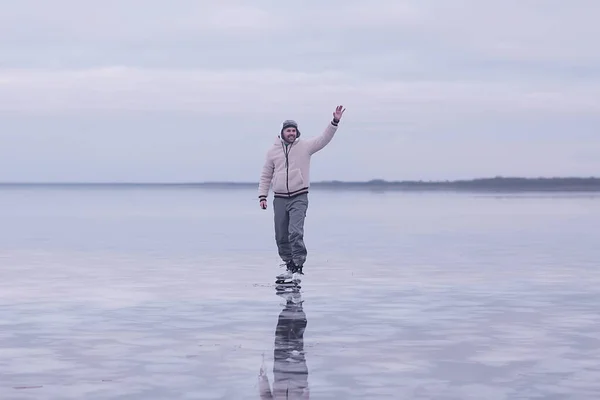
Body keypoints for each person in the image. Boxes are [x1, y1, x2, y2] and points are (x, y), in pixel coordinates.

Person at [258, 105, 345, 282]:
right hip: (280, 198)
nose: (291, 133)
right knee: (281, 235)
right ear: (282, 133)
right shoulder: (272, 151)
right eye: (288, 130)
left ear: (297, 133)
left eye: (293, 130)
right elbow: (266, 174)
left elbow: (323, 139)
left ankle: (298, 267)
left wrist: (334, 121)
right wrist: (262, 196)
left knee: (295, 232)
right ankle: (289, 266)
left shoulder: (305, 146)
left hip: (299, 196)